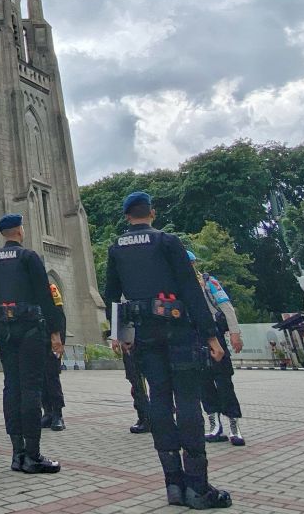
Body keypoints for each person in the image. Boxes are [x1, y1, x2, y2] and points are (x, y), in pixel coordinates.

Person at [105, 192, 231, 509]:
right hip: (177, 331)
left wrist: (122, 335)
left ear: (127, 216)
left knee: (159, 400)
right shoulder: (167, 241)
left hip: (143, 336)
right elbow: (191, 290)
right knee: (187, 400)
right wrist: (211, 336)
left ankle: (173, 485)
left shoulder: (116, 248)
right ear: (152, 213)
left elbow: (112, 296)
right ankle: (198, 488)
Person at [0, 213, 62, 474]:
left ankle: (17, 454)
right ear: (19, 231)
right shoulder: (29, 257)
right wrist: (55, 332)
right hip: (30, 330)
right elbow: (44, 296)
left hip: (4, 331)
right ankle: (32, 455)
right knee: (31, 389)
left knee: (11, 388)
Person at [184, 251, 246, 446]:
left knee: (224, 380)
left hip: (214, 333)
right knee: (203, 382)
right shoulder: (178, 285)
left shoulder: (209, 282)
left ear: (194, 263)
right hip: (193, 336)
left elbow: (226, 306)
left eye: (189, 263)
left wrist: (235, 333)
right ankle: (214, 425)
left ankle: (234, 425)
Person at [40, 281, 67, 432]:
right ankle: (47, 412)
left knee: (52, 378)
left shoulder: (50, 288)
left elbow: (59, 315)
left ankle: (58, 414)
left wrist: (59, 340)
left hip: (51, 340)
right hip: (36, 340)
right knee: (41, 379)